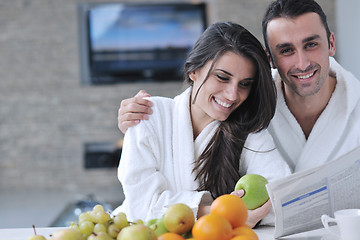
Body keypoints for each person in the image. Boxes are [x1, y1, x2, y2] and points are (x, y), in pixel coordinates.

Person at [117, 0, 360, 173]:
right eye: (286, 50)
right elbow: (194, 111)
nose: (302, 63)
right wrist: (141, 120)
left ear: (330, 43)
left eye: (311, 45)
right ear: (270, 59)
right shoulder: (249, 102)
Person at [113, 21, 291, 228]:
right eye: (222, 77)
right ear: (194, 71)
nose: (233, 95)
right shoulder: (149, 115)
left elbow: (282, 197)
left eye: (245, 84)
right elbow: (141, 205)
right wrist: (220, 212)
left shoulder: (248, 130)